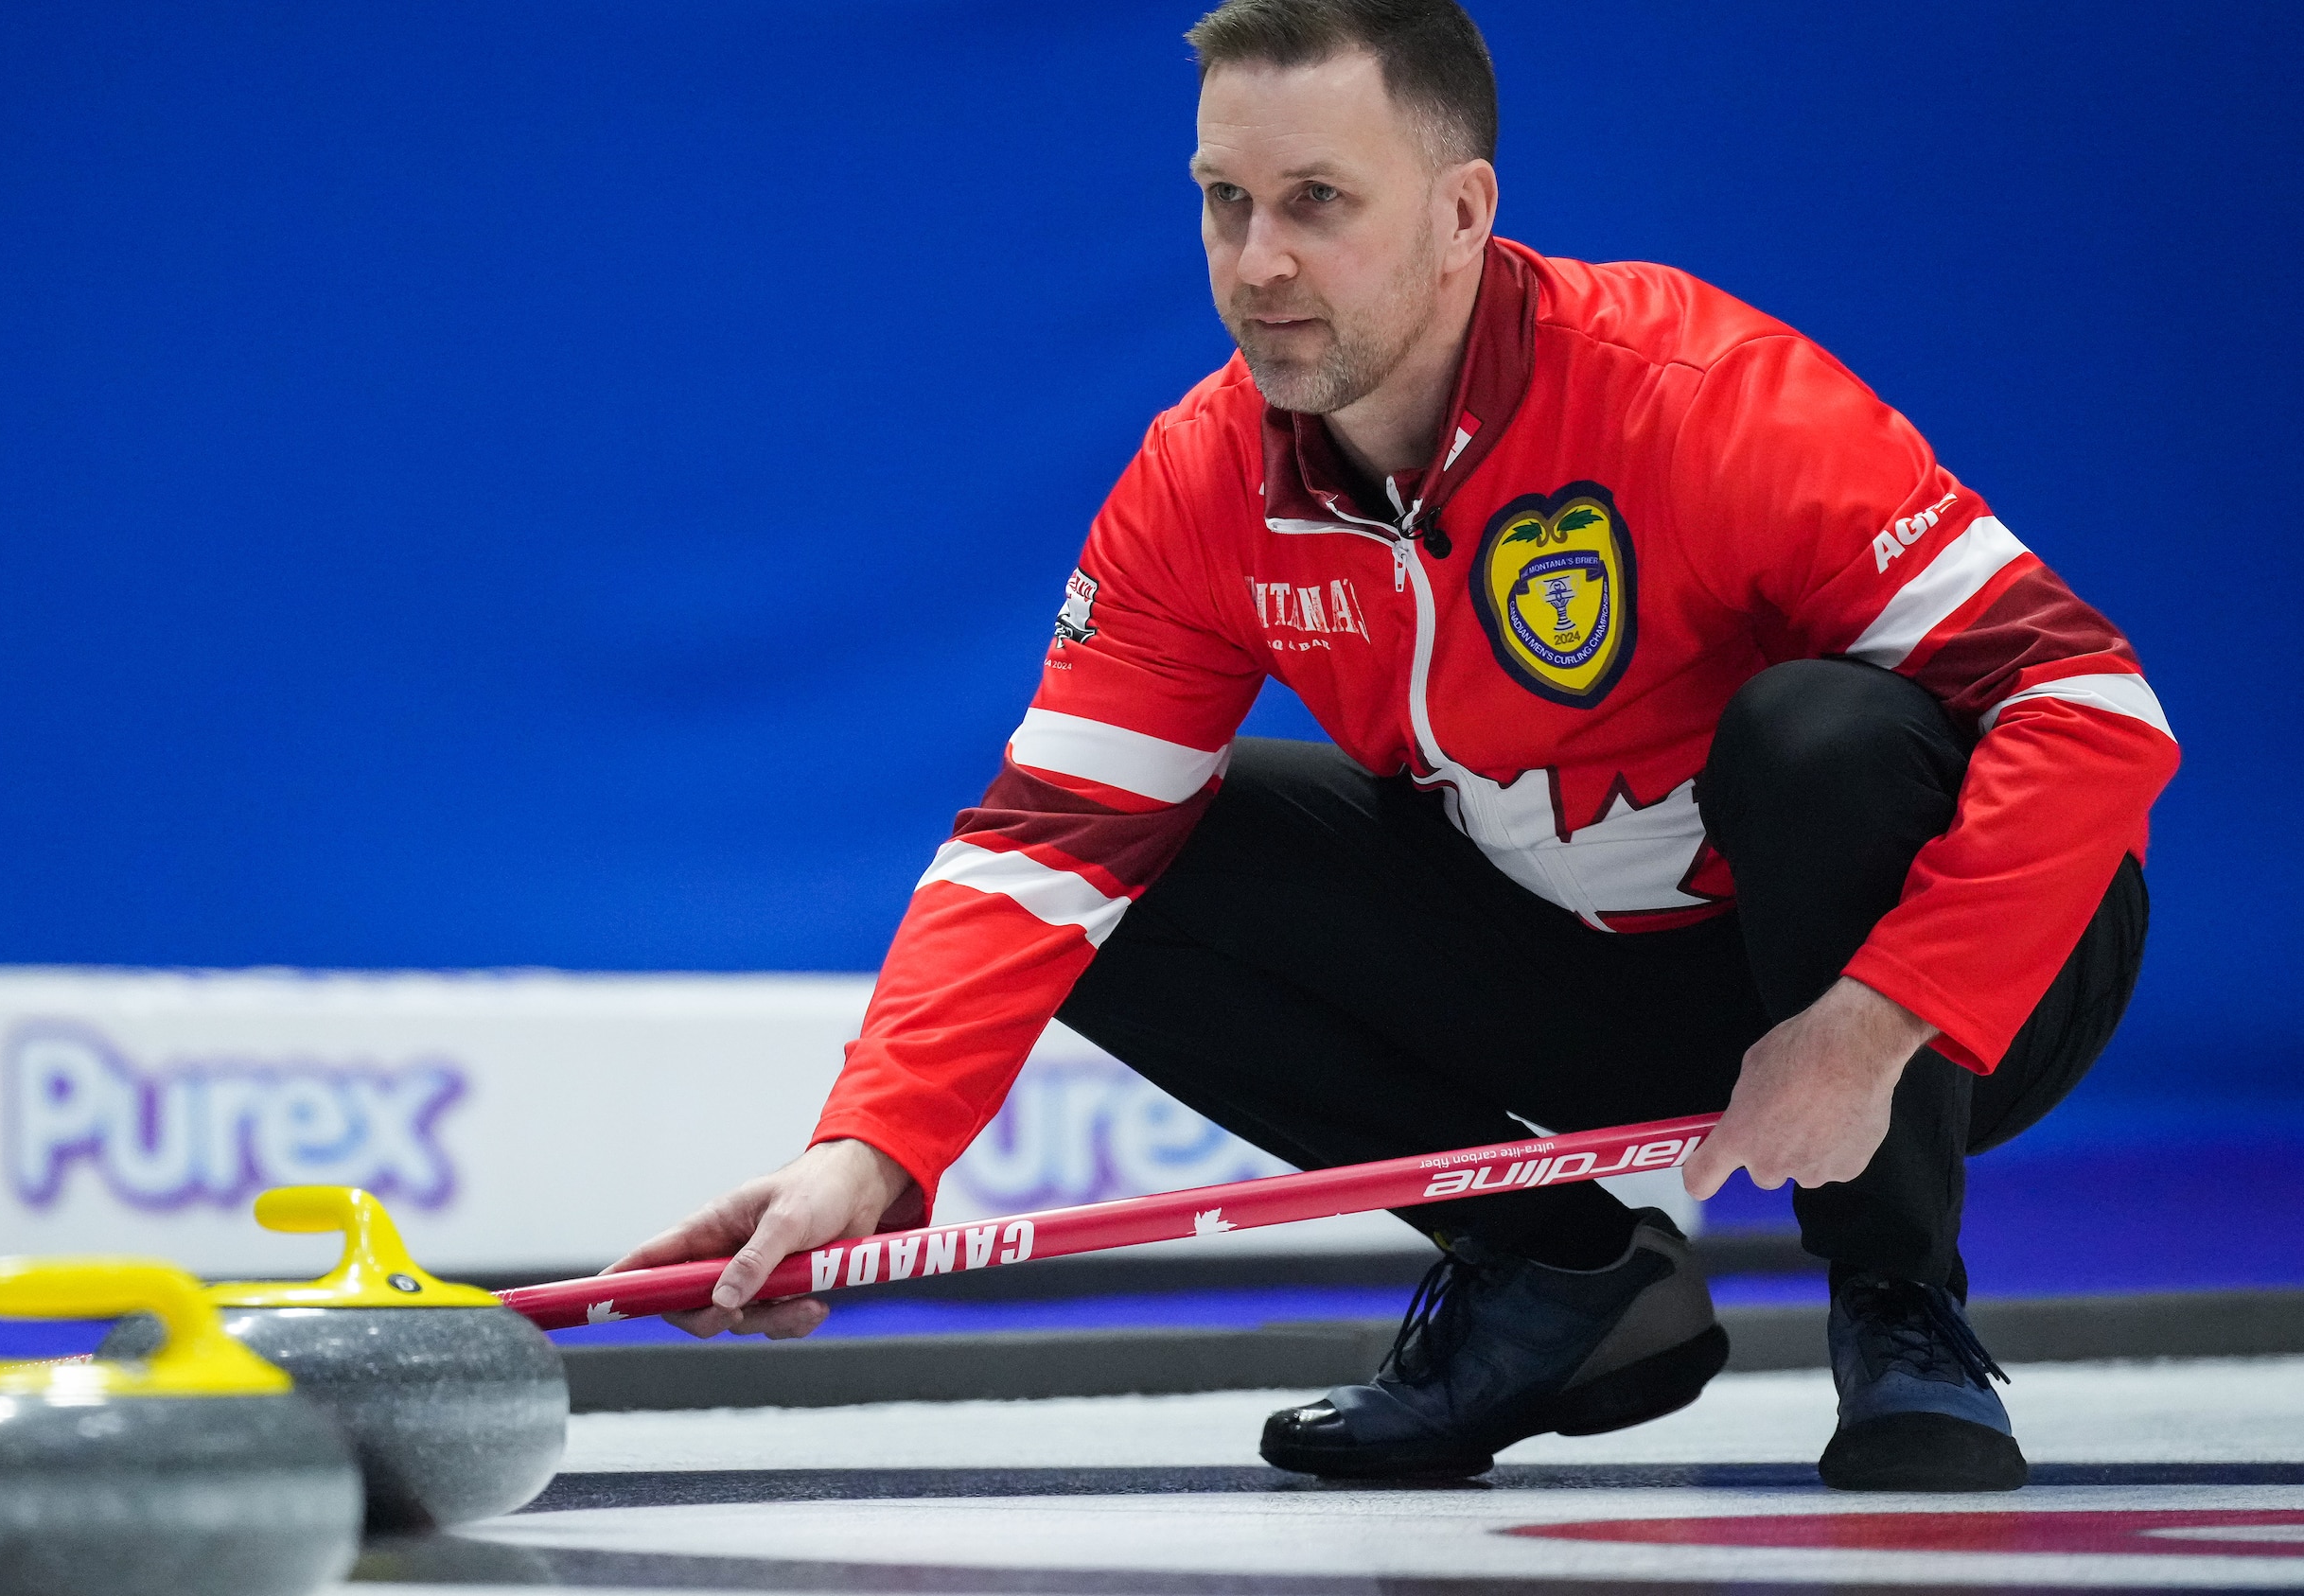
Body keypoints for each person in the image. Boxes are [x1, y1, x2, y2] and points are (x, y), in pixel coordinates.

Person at [611, 0, 2174, 1494]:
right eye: (1223, 201)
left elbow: (2093, 706)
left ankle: (1900, 1301)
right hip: (1620, 979)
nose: (1257, 263)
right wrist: (866, 1157)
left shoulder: (1701, 400)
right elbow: (1044, 845)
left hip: (1957, 994)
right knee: (1147, 864)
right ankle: (1557, 1276)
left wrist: (1876, 1021)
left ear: (1461, 211)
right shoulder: (1200, 484)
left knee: (1820, 732)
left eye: (1316, 201)